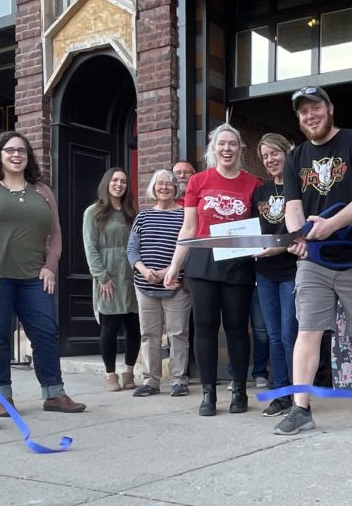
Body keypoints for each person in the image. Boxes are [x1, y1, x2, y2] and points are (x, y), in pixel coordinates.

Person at [274, 85, 352, 434]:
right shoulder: (296, 157)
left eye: (315, 108)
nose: (310, 116)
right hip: (315, 263)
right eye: (303, 112)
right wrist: (298, 236)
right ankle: (300, 408)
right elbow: (293, 206)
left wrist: (331, 225)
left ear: (329, 109)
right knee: (307, 331)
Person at [0, 130, 86, 413]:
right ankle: (3, 397)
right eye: (10, 150)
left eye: (22, 150)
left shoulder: (42, 190)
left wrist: (50, 266)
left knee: (46, 333)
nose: (17, 155)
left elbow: (55, 232)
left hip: (33, 277)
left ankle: (54, 393)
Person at [165, 124, 260, 416]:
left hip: (238, 264)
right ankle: (208, 393)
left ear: (240, 149)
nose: (227, 149)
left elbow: (257, 230)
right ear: (213, 148)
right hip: (203, 262)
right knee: (204, 329)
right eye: (222, 144)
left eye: (232, 144)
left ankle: (240, 390)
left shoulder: (254, 184)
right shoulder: (198, 181)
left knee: (237, 330)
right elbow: (189, 228)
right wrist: (174, 265)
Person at [127, 169, 192, 397]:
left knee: (178, 334)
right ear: (153, 188)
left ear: (175, 188)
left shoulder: (184, 215)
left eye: (168, 184)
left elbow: (189, 250)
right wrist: (144, 271)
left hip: (175, 285)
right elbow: (131, 249)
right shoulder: (143, 216)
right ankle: (150, 382)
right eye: (159, 184)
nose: (164, 187)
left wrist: (167, 272)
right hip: (145, 284)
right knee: (149, 334)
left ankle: (179, 381)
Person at [252, 133, 299, 417]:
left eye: (274, 153)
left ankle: (297, 396)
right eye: (265, 156)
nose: (270, 160)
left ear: (287, 152)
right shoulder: (260, 192)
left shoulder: (300, 187)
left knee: (288, 334)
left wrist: (278, 248)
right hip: (265, 272)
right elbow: (251, 230)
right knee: (273, 336)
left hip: (292, 270)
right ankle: (281, 394)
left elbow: (301, 229)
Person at [83, 168, 140, 392]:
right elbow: (90, 247)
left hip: (131, 275)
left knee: (134, 327)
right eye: (115, 180)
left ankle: (129, 372)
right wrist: (102, 276)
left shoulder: (130, 212)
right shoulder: (93, 212)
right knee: (110, 327)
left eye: (123, 181)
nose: (119, 185)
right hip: (108, 276)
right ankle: (110, 374)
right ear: (106, 183)